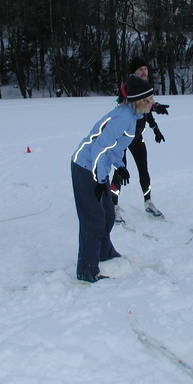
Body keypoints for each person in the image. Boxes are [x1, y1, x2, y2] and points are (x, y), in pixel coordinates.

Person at [71, 75, 155, 282]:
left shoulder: (132, 117)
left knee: (108, 214)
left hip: (98, 167)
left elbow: (114, 147)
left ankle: (103, 251)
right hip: (85, 167)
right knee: (94, 219)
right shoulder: (124, 118)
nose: (153, 103)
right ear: (139, 101)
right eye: (149, 99)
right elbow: (99, 149)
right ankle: (86, 269)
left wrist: (120, 166)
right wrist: (100, 181)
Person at [110, 57, 169, 223]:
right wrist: (154, 106)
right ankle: (113, 205)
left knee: (144, 169)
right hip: (121, 139)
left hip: (136, 138)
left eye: (145, 68)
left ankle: (148, 202)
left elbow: (146, 109)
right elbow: (137, 105)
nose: (144, 71)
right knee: (121, 172)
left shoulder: (144, 89)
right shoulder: (130, 88)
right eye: (140, 69)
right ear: (133, 73)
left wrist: (156, 129)